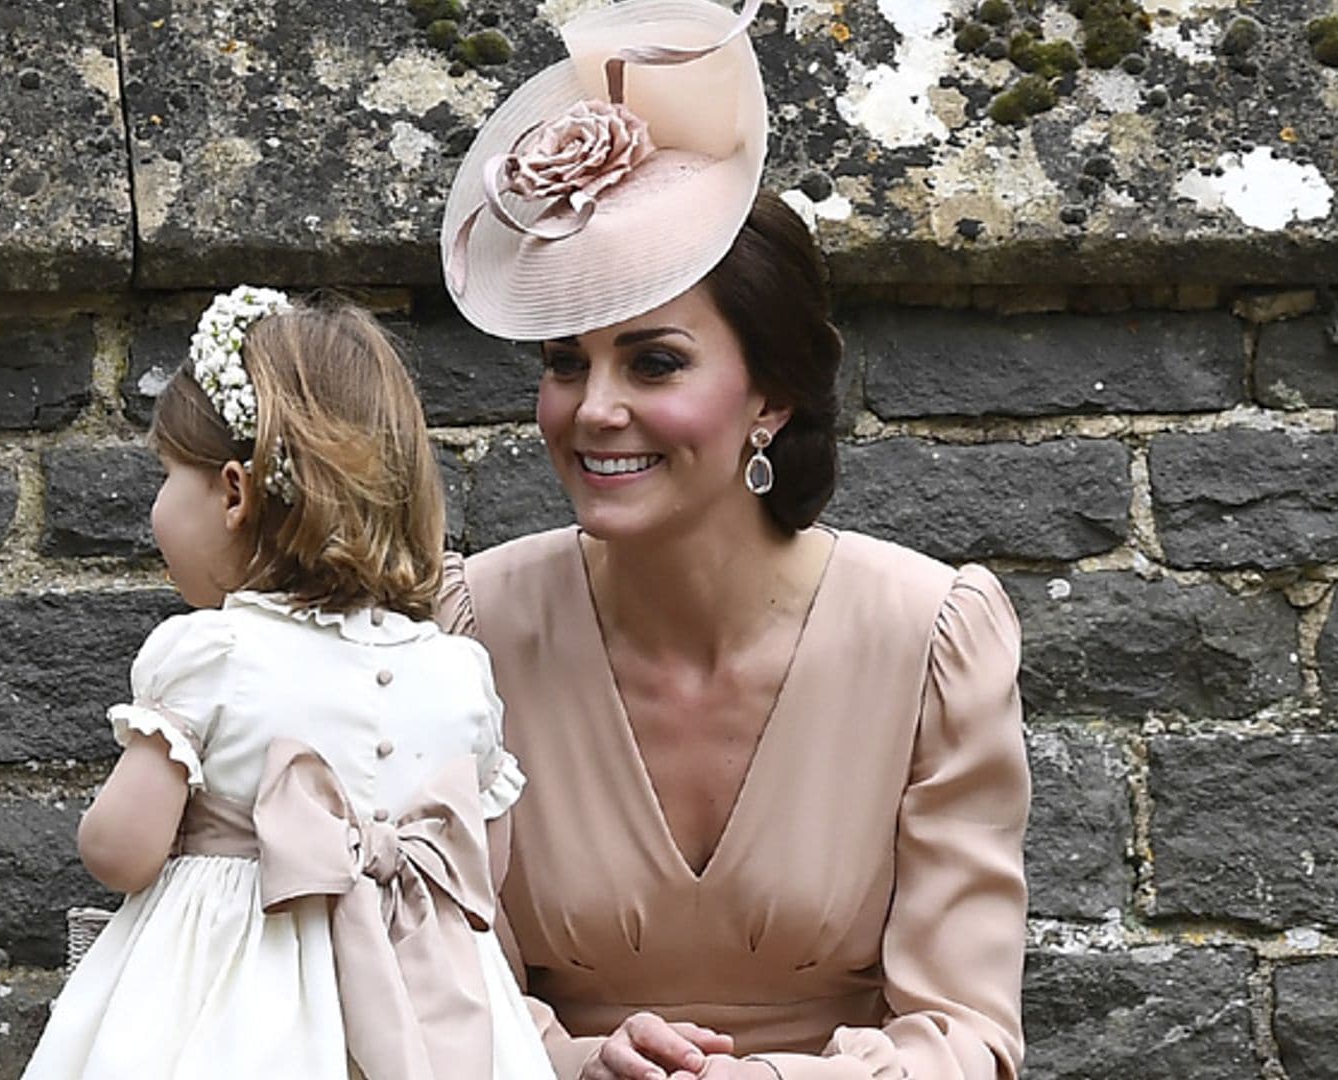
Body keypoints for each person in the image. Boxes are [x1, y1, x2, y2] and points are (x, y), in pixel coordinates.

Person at [435, 2, 1030, 1079]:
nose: (592, 409)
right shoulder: (467, 632)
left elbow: (970, 1037)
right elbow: (428, 989)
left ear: (771, 396)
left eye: (653, 363)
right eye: (566, 362)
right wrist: (577, 1063)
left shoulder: (932, 638)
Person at [22, 288, 556, 1080]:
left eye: (168, 477)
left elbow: (122, 851)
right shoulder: (457, 671)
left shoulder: (212, 654)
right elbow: (482, 865)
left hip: (235, 1010)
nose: (157, 507)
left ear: (234, 491)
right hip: (426, 995)